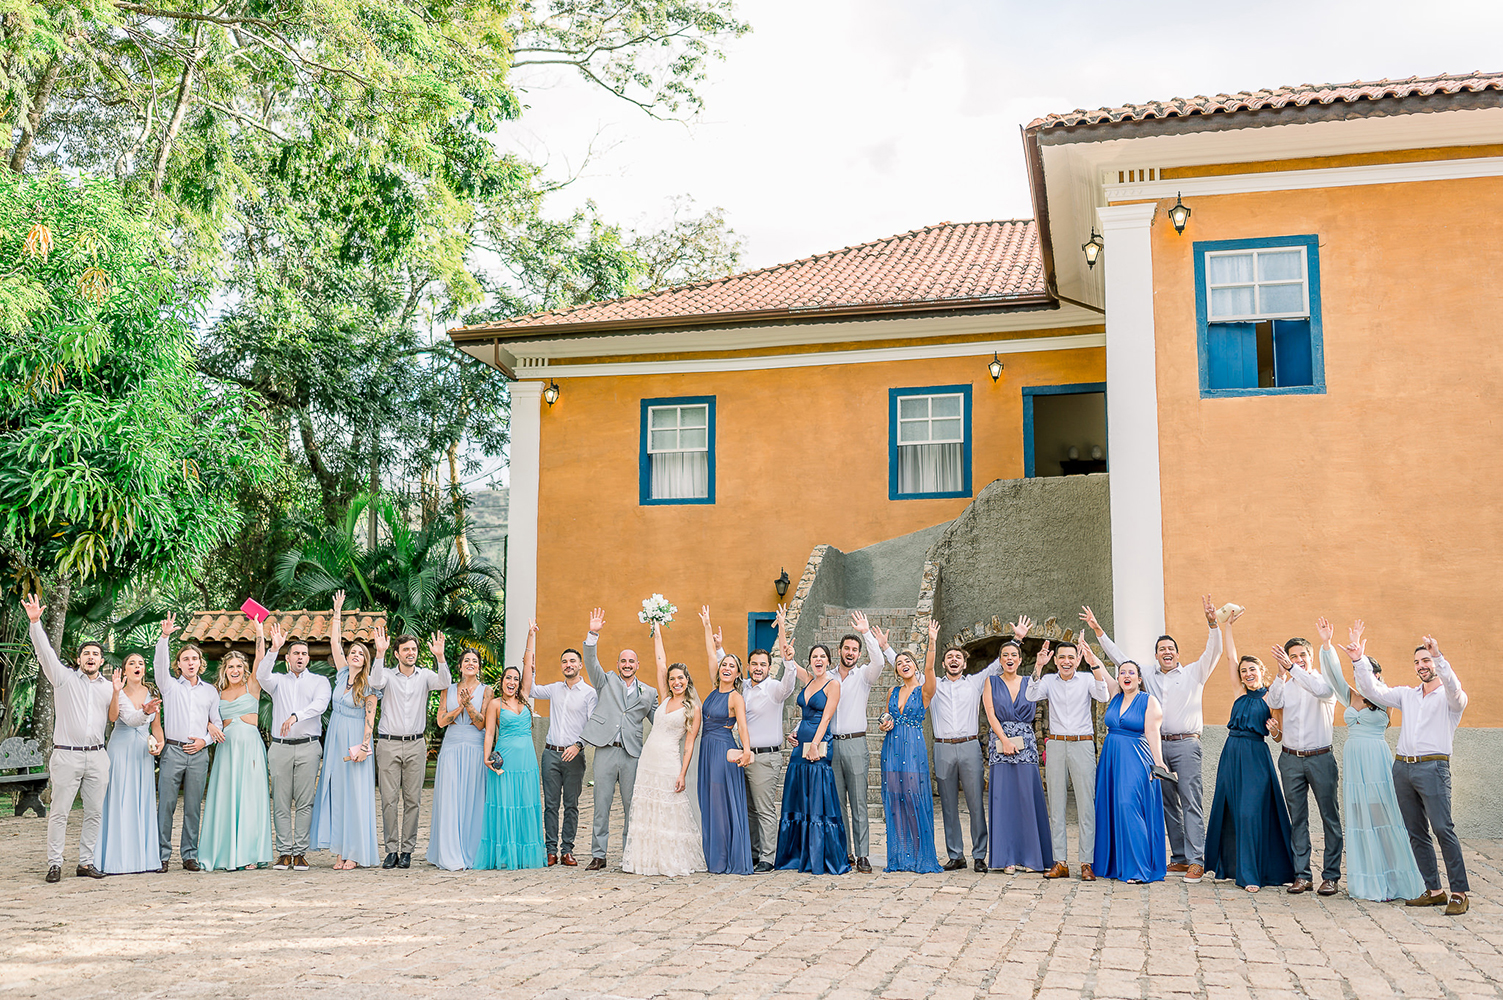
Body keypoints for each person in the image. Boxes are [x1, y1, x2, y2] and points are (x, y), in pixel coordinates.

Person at [1084, 596, 1222, 884]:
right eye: (1161, 649)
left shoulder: (1195, 671)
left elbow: (1215, 651)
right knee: (1167, 803)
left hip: (1186, 744)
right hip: (1153, 746)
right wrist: (1099, 631)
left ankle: (1197, 860)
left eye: (1171, 648)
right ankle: (1180, 858)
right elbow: (1119, 659)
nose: (1166, 652)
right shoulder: (1146, 674)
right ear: (1156, 655)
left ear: (1178, 653)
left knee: (1190, 801)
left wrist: (1213, 623)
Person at [1346, 623, 1470, 915]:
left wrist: (1438, 656)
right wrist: (1358, 660)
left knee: (1442, 828)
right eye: (1417, 662)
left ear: (1436, 663)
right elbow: (1372, 689)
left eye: (1425, 660)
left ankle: (1459, 893)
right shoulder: (1407, 695)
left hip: (1433, 768)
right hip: (1403, 769)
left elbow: (1452, 685)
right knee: (1415, 831)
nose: (1421, 666)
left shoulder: (1453, 699)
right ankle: (1434, 890)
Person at [1315, 617, 1424, 902]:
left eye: (1369, 672)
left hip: (1375, 757)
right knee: (1360, 815)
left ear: (1377, 674)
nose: (1364, 678)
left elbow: (1377, 699)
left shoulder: (1386, 699)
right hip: (1354, 759)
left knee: (1382, 813)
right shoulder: (1349, 696)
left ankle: (1393, 875)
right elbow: (1334, 675)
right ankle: (1369, 878)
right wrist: (1326, 644)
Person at [1202, 611, 1296, 892]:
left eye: (1251, 669)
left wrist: (1274, 728)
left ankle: (1252, 874)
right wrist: (1227, 627)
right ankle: (1231, 868)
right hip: (1231, 754)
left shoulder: (1271, 696)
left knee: (1251, 813)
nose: (1246, 673)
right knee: (1230, 809)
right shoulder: (1239, 693)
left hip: (1256, 757)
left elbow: (1278, 737)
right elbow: (1231, 658)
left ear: (1261, 671)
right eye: (1244, 671)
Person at [23, 594, 114, 882]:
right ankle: (54, 863)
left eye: (95, 654)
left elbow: (123, 715)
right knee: (59, 812)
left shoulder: (109, 688)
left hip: (98, 756)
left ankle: (86, 863)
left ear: (101, 660)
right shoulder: (63, 679)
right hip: (66, 755)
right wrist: (35, 622)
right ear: (79, 659)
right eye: (86, 653)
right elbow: (45, 653)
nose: (91, 657)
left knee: (94, 812)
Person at [620, 619, 707, 876]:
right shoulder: (665, 697)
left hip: (669, 762)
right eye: (672, 678)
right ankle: (646, 860)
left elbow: (689, 745)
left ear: (687, 680)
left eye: (680, 678)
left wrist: (682, 773)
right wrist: (656, 630)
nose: (676, 682)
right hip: (648, 759)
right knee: (647, 808)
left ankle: (671, 859)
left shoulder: (693, 708)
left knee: (669, 809)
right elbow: (660, 662)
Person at [1080, 647, 1169, 883]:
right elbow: (1100, 670)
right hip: (1111, 759)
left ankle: (1139, 869)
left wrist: (1158, 764)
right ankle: (1116, 864)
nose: (1125, 675)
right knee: (1110, 807)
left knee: (1128, 805)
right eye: (1122, 673)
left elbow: (1152, 733)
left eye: (1131, 672)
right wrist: (1091, 656)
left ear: (1139, 679)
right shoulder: (1115, 695)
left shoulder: (1149, 701)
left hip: (1136, 759)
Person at [580, 606, 660, 871]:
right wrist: (593, 633)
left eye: (631, 662)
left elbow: (660, 720)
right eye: (623, 661)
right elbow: (591, 662)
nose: (627, 665)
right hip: (605, 750)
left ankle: (629, 854)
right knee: (601, 804)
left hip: (632, 754)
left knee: (631, 806)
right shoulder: (606, 681)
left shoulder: (648, 693)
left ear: (638, 665)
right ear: (618, 665)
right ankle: (598, 855)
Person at [309, 593, 383, 869]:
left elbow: (370, 719)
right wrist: (336, 613)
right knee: (337, 793)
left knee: (355, 796)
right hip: (335, 739)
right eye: (352, 652)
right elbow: (333, 642)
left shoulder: (369, 687)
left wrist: (365, 746)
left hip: (356, 739)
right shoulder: (341, 675)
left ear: (365, 660)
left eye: (360, 654)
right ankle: (340, 851)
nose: (354, 656)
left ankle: (355, 852)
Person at [368, 629, 451, 870]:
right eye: (406, 650)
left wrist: (441, 657)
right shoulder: (385, 674)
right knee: (389, 800)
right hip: (388, 743)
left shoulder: (425, 676)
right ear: (397, 654)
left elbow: (444, 682)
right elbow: (374, 683)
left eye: (413, 649)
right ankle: (391, 850)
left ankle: (407, 851)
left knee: (413, 800)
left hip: (416, 744)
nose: (411, 653)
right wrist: (379, 654)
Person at [1026, 638, 1108, 880]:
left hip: (1082, 743)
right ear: (1055, 660)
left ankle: (1086, 862)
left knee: (1086, 806)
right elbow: (1031, 695)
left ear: (1078, 659)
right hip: (1056, 744)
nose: (1066, 661)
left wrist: (1094, 665)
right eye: (1061, 657)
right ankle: (1060, 862)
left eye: (1071, 657)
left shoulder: (1086, 679)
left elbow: (1102, 696)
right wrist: (1039, 666)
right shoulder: (1049, 680)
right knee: (1057, 804)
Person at [1267, 635, 1343, 896]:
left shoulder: (1322, 681)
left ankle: (1331, 876)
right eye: (1293, 656)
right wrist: (1281, 673)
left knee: (1329, 817)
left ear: (1310, 657)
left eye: (1302, 656)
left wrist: (1293, 669)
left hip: (1320, 758)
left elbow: (1323, 691)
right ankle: (1302, 875)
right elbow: (1273, 702)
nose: (1298, 660)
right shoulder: (1287, 683)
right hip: (1290, 759)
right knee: (1297, 819)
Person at [929, 623, 1004, 873]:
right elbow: (907, 668)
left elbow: (997, 664)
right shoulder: (934, 686)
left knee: (975, 803)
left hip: (970, 746)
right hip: (943, 748)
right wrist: (885, 647)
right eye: (949, 657)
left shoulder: (974, 682)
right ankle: (955, 854)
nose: (953, 660)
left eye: (958, 657)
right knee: (948, 805)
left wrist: (1017, 639)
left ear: (964, 663)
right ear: (943, 664)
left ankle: (979, 855)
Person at [258, 621, 333, 872]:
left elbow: (320, 705)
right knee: (280, 801)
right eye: (295, 653)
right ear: (287, 658)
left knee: (304, 801)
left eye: (303, 654)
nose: (300, 657)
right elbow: (261, 676)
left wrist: (295, 716)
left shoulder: (320, 681)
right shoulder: (277, 681)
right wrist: (273, 649)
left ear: (308, 658)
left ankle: (300, 852)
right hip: (280, 747)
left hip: (309, 746)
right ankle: (283, 852)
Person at [199, 626, 274, 872]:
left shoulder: (253, 686)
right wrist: (210, 725)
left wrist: (260, 632)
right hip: (226, 749)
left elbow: (261, 658)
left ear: (244, 670)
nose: (234, 670)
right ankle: (224, 853)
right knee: (226, 799)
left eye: (239, 667)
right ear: (224, 670)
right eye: (230, 667)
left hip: (250, 747)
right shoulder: (216, 693)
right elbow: (203, 716)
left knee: (250, 798)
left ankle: (249, 854)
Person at [154, 613, 225, 873]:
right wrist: (164, 638)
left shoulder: (211, 691)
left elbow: (216, 724)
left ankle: (189, 855)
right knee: (167, 806)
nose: (191, 662)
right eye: (186, 659)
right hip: (172, 751)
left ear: (200, 663)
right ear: (179, 665)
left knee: (193, 808)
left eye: (195, 658)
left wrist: (204, 741)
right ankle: (161, 856)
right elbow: (159, 667)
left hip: (198, 755)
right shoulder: (170, 687)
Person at [476, 622, 548, 870]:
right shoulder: (495, 704)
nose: (513, 682)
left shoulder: (525, 699)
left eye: (516, 679)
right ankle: (506, 854)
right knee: (505, 806)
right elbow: (489, 735)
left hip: (527, 761)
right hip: (504, 761)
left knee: (525, 805)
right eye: (509, 677)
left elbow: (528, 665)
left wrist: (530, 636)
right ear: (502, 680)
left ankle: (525, 854)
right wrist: (487, 757)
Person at [774, 638, 850, 874]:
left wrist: (815, 744)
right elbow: (788, 660)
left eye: (822, 656)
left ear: (828, 661)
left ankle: (818, 855)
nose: (818, 659)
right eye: (814, 656)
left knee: (817, 798)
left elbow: (826, 717)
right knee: (799, 797)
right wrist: (783, 629)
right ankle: (797, 855)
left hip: (819, 746)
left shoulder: (833, 684)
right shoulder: (808, 681)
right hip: (800, 747)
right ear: (810, 663)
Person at [981, 624, 1051, 875]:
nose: (1009, 659)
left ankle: (1031, 857)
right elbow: (990, 713)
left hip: (1026, 745)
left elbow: (1037, 687)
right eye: (1005, 656)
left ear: (1020, 660)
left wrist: (1040, 665)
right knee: (1004, 800)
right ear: (999, 661)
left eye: (1014, 655)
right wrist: (1005, 740)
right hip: (1000, 745)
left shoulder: (1030, 682)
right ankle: (1006, 858)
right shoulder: (991, 682)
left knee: (1026, 800)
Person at [831, 612, 893, 874]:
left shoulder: (864, 676)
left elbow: (878, 660)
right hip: (832, 745)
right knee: (838, 803)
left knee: (858, 803)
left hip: (856, 744)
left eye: (855, 650)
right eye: (847, 648)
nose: (850, 652)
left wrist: (867, 633)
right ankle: (845, 852)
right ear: (840, 650)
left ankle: (864, 854)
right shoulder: (829, 677)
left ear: (858, 654)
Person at [877, 620, 941, 874]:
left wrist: (932, 641)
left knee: (914, 797)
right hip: (891, 748)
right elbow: (886, 717)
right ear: (897, 669)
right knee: (895, 800)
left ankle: (921, 856)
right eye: (900, 663)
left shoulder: (925, 690)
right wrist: (884, 723)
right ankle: (900, 858)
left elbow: (930, 666)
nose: (904, 665)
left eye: (909, 662)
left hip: (913, 749)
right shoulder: (893, 691)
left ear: (915, 667)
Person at [738, 606, 799, 873]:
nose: (758, 668)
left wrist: (788, 658)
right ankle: (753, 853)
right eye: (754, 664)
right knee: (750, 809)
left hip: (765, 758)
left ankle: (768, 857)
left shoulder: (774, 689)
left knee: (764, 810)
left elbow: (790, 682)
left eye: (763, 664)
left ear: (768, 667)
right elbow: (722, 672)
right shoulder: (743, 688)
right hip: (743, 756)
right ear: (749, 665)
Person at [696, 607, 754, 875]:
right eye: (724, 664)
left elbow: (742, 727)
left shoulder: (735, 697)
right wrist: (707, 625)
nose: (726, 667)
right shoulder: (713, 687)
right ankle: (712, 856)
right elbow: (710, 653)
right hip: (705, 749)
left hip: (722, 751)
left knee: (720, 802)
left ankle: (724, 858)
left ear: (738, 673)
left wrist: (747, 751)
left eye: (732, 665)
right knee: (708, 800)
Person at [97, 651, 163, 875]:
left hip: (143, 753)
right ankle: (116, 860)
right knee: (119, 799)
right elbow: (115, 717)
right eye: (132, 663)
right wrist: (115, 693)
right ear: (124, 670)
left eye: (141, 663)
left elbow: (156, 726)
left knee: (141, 799)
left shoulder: (152, 692)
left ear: (144, 669)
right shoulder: (119, 692)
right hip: (121, 750)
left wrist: (160, 743)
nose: (137, 666)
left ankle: (143, 859)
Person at [531, 642, 597, 867]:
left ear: (580, 665)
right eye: (565, 662)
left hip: (574, 756)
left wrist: (579, 745)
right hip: (550, 753)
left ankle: (567, 850)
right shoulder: (554, 689)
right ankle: (550, 850)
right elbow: (530, 689)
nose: (568, 665)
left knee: (571, 804)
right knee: (550, 804)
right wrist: (529, 662)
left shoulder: (590, 694)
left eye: (572, 661)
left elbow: (593, 725)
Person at [426, 647, 490, 870]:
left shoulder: (487, 691)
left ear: (479, 666)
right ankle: (449, 852)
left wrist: (469, 705)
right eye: (467, 660)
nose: (471, 663)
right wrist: (460, 706)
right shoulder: (448, 689)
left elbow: (482, 722)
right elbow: (441, 721)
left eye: (475, 660)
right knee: (450, 799)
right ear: (460, 666)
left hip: (475, 748)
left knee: (473, 800)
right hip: (452, 749)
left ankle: (471, 851)